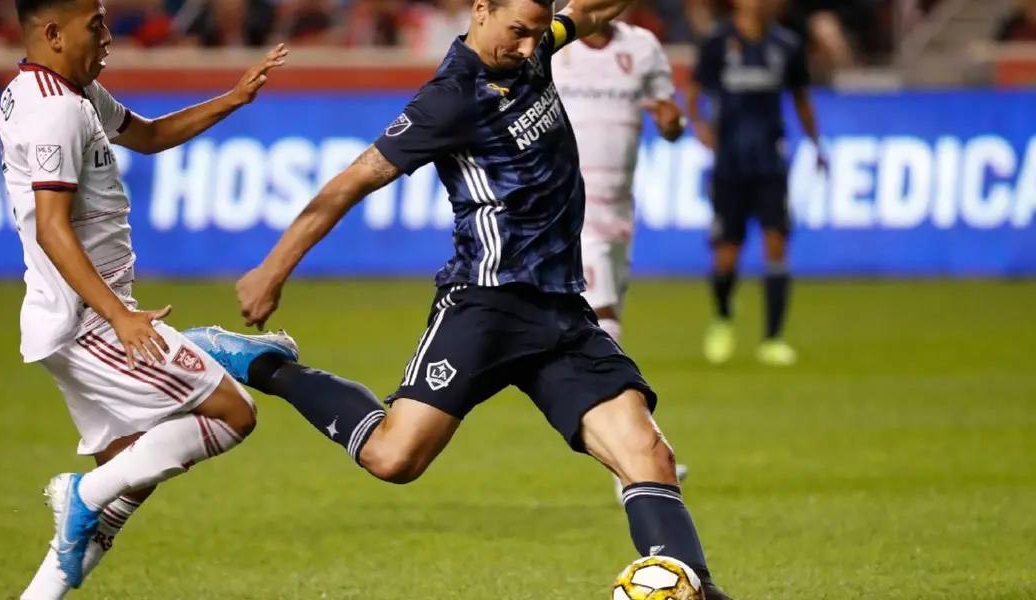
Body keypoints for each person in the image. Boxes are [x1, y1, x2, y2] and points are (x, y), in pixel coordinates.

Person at [223, 0, 733, 595]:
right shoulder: (451, 97)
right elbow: (353, 180)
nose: (526, 47)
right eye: (517, 31)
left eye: (537, 34)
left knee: (649, 456)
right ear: (481, 10)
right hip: (486, 305)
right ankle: (264, 363)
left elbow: (590, 12)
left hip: (562, 308)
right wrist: (273, 269)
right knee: (394, 458)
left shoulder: (534, 46)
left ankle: (695, 589)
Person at [0, 1, 291, 597]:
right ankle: (82, 490)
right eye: (94, 26)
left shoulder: (63, 91)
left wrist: (232, 98)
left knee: (132, 477)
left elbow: (149, 136)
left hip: (76, 316)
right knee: (234, 414)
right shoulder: (55, 111)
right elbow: (53, 227)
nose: (108, 37)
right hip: (87, 322)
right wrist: (119, 316)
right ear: (53, 33)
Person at [551, 16, 688, 491]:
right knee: (600, 316)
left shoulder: (643, 47)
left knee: (609, 324)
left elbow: (669, 115)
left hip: (619, 209)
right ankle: (632, 461)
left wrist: (674, 123)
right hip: (568, 205)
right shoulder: (551, 45)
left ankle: (627, 455)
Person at [686, 0, 825, 367]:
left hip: (771, 163)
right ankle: (723, 318)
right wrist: (701, 130)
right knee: (726, 253)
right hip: (730, 164)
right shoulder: (717, 42)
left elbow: (801, 100)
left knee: (776, 244)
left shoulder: (787, 45)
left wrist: (816, 144)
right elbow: (693, 95)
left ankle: (773, 338)